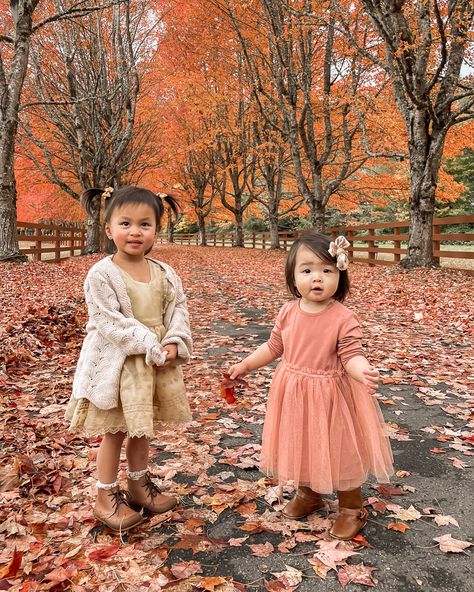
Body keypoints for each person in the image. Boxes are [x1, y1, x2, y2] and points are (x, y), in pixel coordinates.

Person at [228, 231, 393, 540]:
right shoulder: (288, 312)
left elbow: (351, 355)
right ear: (293, 277)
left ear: (339, 277)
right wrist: (246, 364)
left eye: (327, 270)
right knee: (302, 442)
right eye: (307, 270)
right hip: (294, 392)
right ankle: (309, 493)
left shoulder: (343, 318)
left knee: (339, 449)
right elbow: (273, 347)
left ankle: (350, 508)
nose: (317, 278)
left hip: (332, 396)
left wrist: (363, 371)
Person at [65, 185, 192, 532]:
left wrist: (174, 342)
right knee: (115, 431)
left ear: (156, 229)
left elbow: (177, 308)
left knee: (141, 429)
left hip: (153, 365)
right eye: (125, 223)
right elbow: (108, 321)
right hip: (119, 365)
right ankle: (105, 495)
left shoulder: (165, 272)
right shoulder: (102, 274)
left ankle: (138, 486)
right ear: (108, 229)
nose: (134, 232)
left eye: (144, 224)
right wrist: (149, 342)